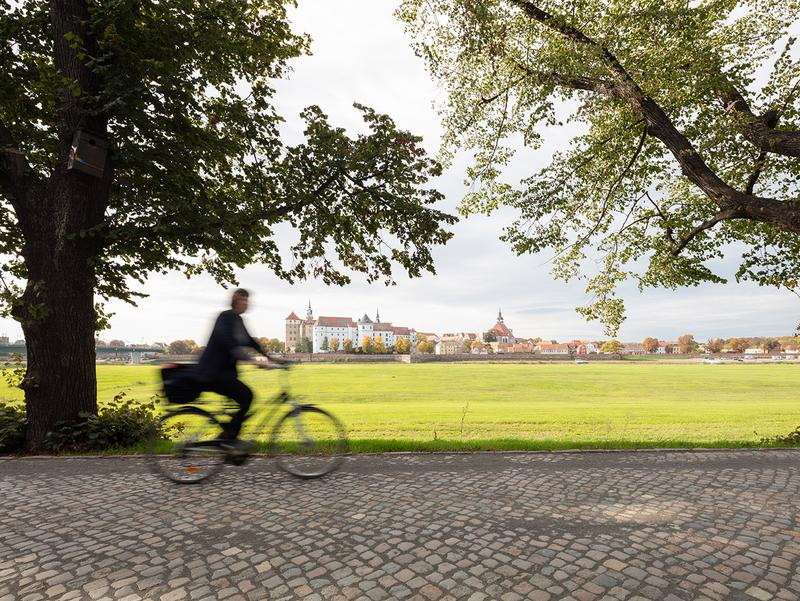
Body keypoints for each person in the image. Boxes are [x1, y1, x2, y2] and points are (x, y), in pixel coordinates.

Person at [195, 288, 286, 442]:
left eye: (247, 300)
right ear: (235, 301)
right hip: (214, 373)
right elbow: (229, 344)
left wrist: (272, 358)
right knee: (247, 396)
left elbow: (251, 342)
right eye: (243, 300)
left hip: (225, 373)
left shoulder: (237, 320)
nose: (247, 303)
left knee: (241, 401)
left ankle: (231, 438)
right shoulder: (225, 318)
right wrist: (253, 360)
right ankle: (228, 437)